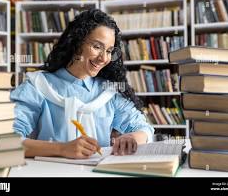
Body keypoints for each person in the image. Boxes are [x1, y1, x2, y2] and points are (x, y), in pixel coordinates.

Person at [10, 9, 154, 159]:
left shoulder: (108, 92)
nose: (104, 58)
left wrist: (132, 138)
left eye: (110, 50)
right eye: (97, 47)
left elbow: (144, 129)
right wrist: (62, 149)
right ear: (77, 43)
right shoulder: (38, 85)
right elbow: (7, 141)